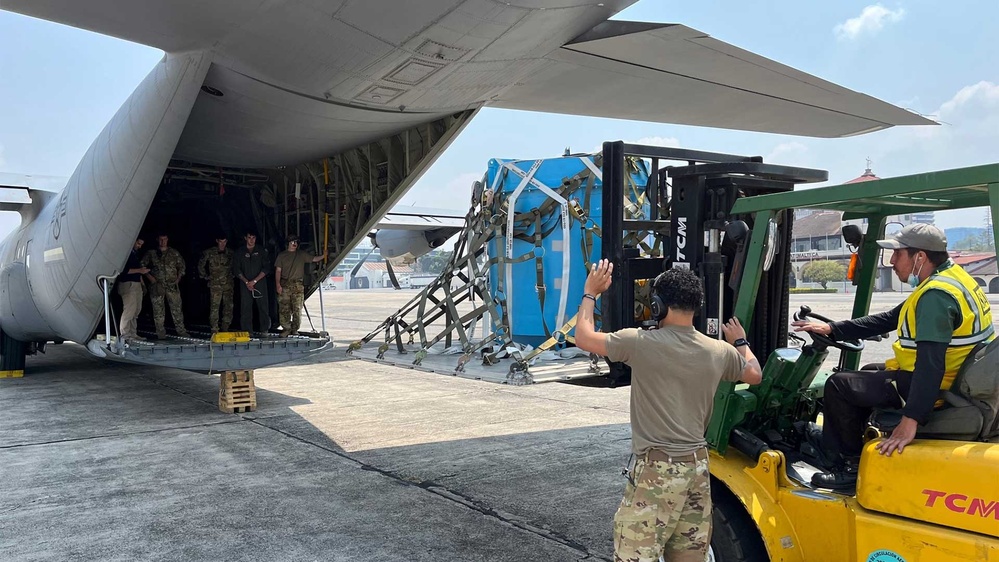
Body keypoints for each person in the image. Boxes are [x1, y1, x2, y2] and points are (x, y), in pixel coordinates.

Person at [575, 261, 762, 562]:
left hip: (656, 471)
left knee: (635, 555)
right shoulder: (718, 351)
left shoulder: (640, 343)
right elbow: (755, 374)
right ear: (697, 305)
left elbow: (583, 337)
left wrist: (589, 293)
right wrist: (739, 342)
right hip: (697, 469)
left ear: (657, 305)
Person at [792, 223, 994, 489]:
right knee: (867, 371)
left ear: (919, 256)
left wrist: (912, 419)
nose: (892, 260)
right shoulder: (953, 279)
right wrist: (833, 329)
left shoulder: (936, 297)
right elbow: (890, 319)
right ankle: (850, 439)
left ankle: (848, 467)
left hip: (941, 384)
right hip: (956, 376)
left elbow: (930, 365)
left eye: (898, 253)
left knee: (839, 385)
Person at [274, 235, 326, 337]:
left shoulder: (301, 254)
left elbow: (314, 259)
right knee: (284, 309)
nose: (294, 244)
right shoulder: (282, 256)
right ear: (288, 243)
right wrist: (278, 285)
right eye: (292, 242)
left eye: (296, 242)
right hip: (285, 284)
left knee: (297, 309)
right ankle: (286, 329)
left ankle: (295, 329)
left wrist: (324, 255)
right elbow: (278, 271)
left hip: (297, 285)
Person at [141, 233, 189, 339]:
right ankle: (160, 333)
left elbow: (182, 266)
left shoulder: (174, 253)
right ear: (157, 240)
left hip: (172, 285)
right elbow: (142, 266)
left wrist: (178, 278)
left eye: (165, 239)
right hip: (157, 285)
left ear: (168, 239)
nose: (163, 241)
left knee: (176, 309)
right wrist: (151, 278)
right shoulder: (151, 253)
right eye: (161, 239)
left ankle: (181, 331)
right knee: (158, 310)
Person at [232, 231, 271, 334]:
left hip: (260, 283)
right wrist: (246, 282)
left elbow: (266, 268)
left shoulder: (261, 250)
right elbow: (236, 269)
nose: (251, 240)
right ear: (245, 238)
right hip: (245, 284)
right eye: (249, 237)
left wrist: (254, 281)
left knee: (263, 306)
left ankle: (264, 329)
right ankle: (246, 330)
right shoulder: (240, 252)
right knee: (245, 307)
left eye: (253, 237)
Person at [198, 235, 234, 333]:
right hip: (215, 284)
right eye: (220, 241)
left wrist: (234, 275)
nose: (222, 244)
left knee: (228, 306)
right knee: (215, 306)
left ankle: (225, 326)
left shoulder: (231, 253)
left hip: (228, 284)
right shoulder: (209, 252)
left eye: (224, 242)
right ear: (217, 241)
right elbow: (201, 265)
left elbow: (237, 265)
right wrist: (205, 276)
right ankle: (214, 328)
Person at [117, 238, 149, 342]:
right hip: (128, 284)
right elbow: (123, 271)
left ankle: (133, 333)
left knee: (136, 310)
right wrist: (140, 270)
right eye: (138, 243)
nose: (140, 246)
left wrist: (142, 285)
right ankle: (125, 334)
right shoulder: (125, 254)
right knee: (129, 310)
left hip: (136, 284)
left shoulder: (135, 254)